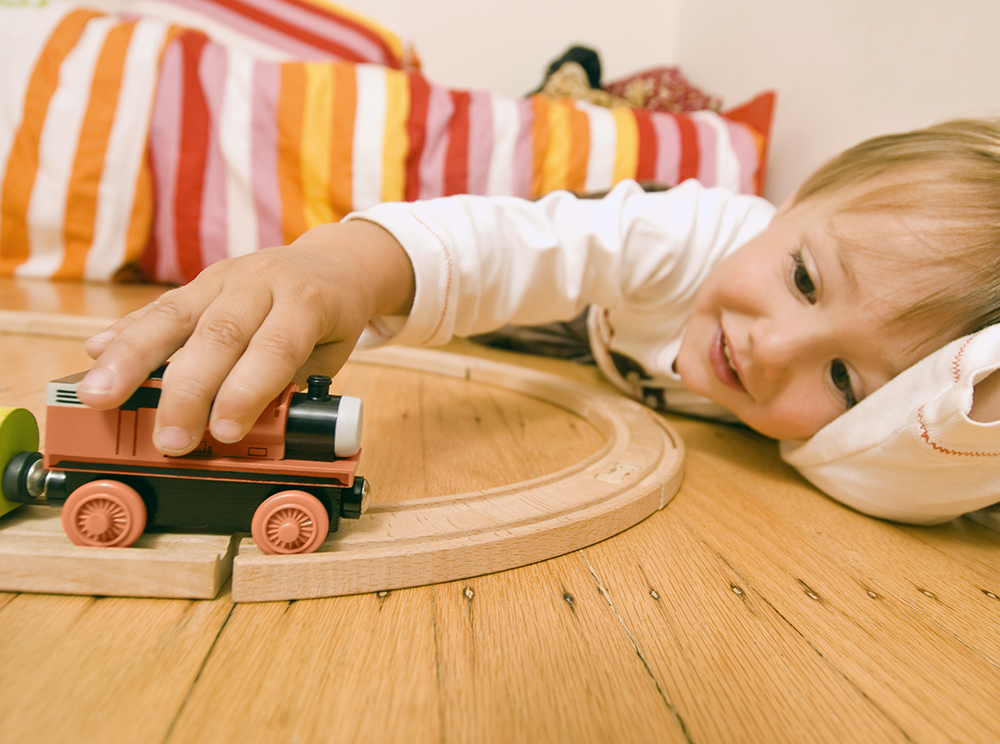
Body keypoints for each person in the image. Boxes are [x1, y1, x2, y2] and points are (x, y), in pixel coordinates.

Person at [76, 119, 1000, 524]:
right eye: (803, 278)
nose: (775, 347)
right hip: (589, 298)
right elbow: (512, 251)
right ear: (798, 199)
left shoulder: (885, 436)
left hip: (615, 360)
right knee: (492, 271)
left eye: (846, 380)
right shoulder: (702, 234)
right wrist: (336, 267)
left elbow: (933, 464)